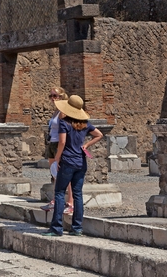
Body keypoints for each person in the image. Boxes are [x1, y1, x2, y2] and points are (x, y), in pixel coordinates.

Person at [42, 95, 103, 237]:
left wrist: (57, 159)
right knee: (77, 194)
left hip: (67, 161)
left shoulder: (64, 123)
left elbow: (62, 143)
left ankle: (56, 227)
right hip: (81, 162)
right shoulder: (85, 124)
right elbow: (99, 134)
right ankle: (77, 228)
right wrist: (86, 145)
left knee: (59, 192)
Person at [41, 87, 74, 213]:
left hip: (60, 144)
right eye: (51, 96)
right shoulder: (56, 112)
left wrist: (60, 153)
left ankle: (70, 202)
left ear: (61, 97)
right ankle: (56, 200)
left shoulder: (64, 112)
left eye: (55, 96)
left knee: (66, 175)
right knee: (54, 174)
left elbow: (65, 133)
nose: (52, 98)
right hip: (52, 143)